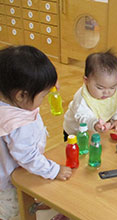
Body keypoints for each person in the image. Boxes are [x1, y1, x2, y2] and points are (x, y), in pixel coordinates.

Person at [0, 46, 72, 220]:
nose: (45, 99)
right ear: (21, 96)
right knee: (13, 210)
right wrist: (54, 170)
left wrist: (47, 83)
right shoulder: (18, 126)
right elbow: (28, 157)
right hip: (10, 180)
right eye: (43, 95)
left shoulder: (8, 95)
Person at [63, 50, 117, 141]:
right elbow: (83, 116)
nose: (107, 92)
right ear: (86, 80)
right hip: (75, 132)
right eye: (100, 88)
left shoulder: (114, 94)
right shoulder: (82, 98)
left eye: (112, 87)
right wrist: (94, 124)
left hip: (95, 130)